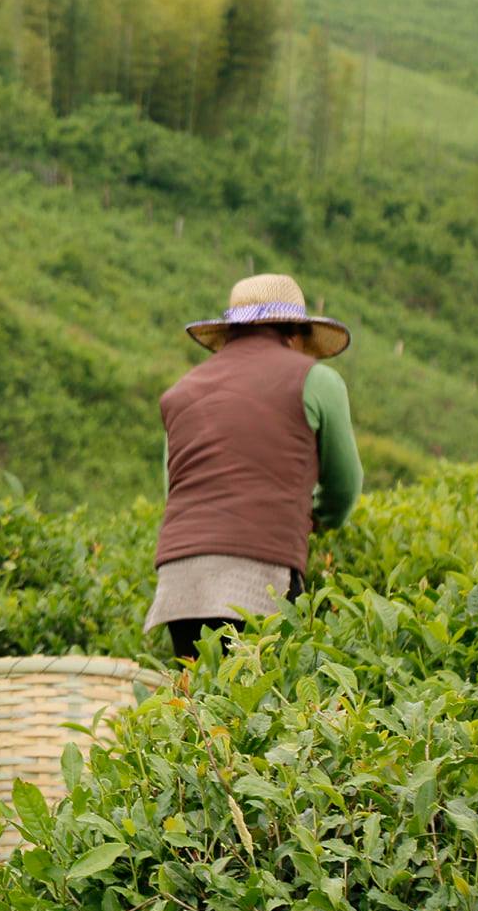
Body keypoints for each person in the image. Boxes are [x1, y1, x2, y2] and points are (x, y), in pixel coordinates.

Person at [146, 273, 362, 660]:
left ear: (230, 333)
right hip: (261, 574)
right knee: (266, 692)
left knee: (199, 693)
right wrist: (315, 519)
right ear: (295, 335)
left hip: (181, 582)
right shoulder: (316, 380)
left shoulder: (182, 391)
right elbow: (344, 488)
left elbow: (175, 488)